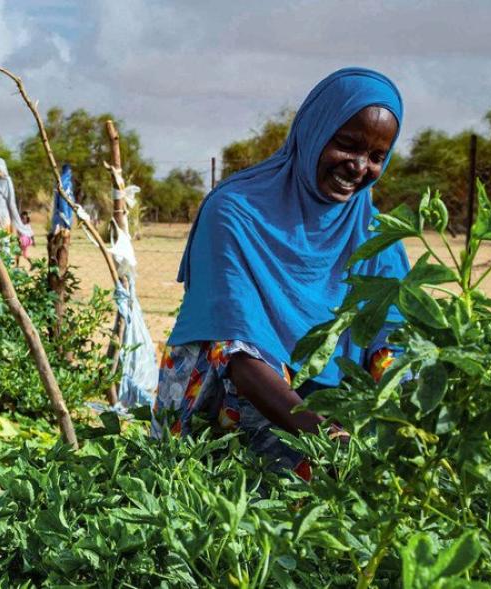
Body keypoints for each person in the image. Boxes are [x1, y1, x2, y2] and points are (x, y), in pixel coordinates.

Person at [152, 67, 408, 479]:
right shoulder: (235, 212)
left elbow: (391, 342)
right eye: (347, 145)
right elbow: (237, 353)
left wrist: (415, 422)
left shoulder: (376, 236)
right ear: (314, 132)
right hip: (232, 411)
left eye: (377, 156)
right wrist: (325, 437)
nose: (360, 167)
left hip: (333, 421)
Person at [0, 157, 33, 258]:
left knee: (4, 242)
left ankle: (6, 265)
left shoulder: (7, 181)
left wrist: (14, 218)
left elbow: (11, 201)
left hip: (3, 216)